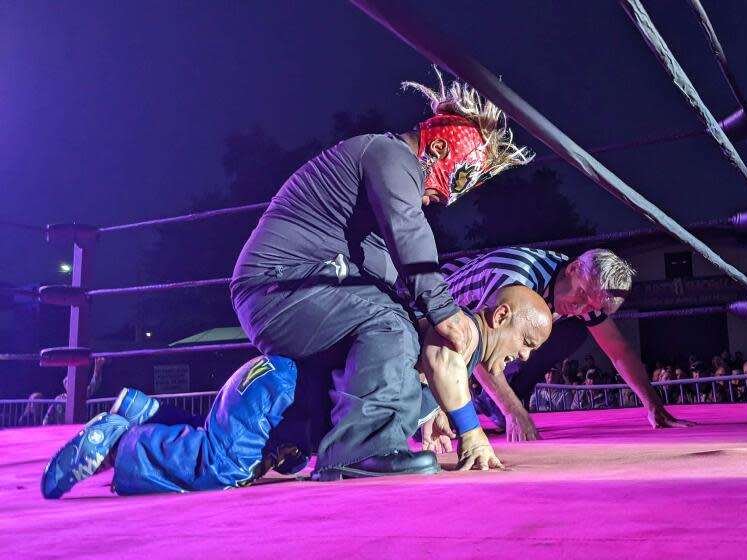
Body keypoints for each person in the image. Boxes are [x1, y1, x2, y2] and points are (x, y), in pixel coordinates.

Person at [40, 70, 534, 496]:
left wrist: (432, 402)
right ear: (442, 149)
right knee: (390, 323)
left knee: (387, 331)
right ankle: (360, 450)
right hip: (281, 288)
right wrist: (445, 312)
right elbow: (412, 240)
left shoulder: (375, 208)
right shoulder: (389, 157)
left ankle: (143, 423)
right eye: (454, 181)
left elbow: (400, 280)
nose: (444, 199)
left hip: (302, 294)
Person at [41, 285, 551, 498]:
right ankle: (117, 444)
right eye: (526, 342)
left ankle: (144, 412)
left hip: (283, 403)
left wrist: (426, 418)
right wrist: (473, 435)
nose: (525, 356)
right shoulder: (458, 330)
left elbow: (403, 379)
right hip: (276, 391)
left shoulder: (453, 350)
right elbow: (440, 360)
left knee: (236, 458)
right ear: (499, 315)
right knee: (221, 469)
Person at [441, 247, 695, 441]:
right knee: (429, 423)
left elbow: (618, 350)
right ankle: (490, 398)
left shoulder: (581, 290)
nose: (579, 307)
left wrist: (653, 405)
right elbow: (478, 344)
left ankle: (502, 394)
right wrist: (513, 412)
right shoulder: (519, 281)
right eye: (581, 295)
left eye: (590, 305)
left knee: (573, 330)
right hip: (430, 322)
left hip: (466, 336)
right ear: (573, 268)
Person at [42, 357, 105, 425]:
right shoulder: (59, 399)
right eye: (68, 383)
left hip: (76, 427)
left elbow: (94, 385)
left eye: (72, 382)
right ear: (65, 385)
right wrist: (45, 426)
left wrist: (97, 368)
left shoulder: (79, 394)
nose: (70, 385)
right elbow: (49, 415)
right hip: (61, 429)